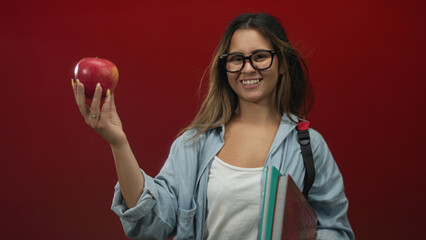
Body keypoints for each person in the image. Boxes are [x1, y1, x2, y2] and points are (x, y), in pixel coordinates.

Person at [72, 13, 354, 240]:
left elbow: (337, 231)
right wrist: (118, 142)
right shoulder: (193, 144)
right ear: (226, 68)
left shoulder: (309, 145)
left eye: (259, 56)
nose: (247, 68)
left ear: (281, 64)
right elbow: (150, 226)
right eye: (236, 59)